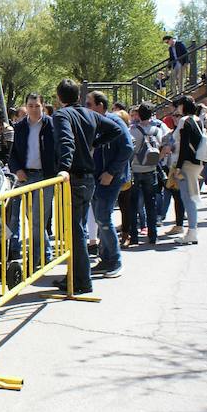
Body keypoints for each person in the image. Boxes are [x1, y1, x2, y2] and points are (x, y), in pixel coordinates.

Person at [52, 79, 123, 294]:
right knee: (78, 230)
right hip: (88, 179)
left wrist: (64, 167)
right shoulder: (89, 114)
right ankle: (75, 277)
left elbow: (66, 141)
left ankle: (82, 281)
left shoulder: (61, 115)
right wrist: (94, 143)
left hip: (73, 179)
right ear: (78, 97)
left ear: (59, 98)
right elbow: (115, 130)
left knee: (75, 232)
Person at [85, 91, 132, 278]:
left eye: (89, 104)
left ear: (100, 106)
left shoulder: (115, 122)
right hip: (97, 177)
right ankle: (105, 259)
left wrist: (111, 172)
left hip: (111, 178)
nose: (86, 107)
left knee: (103, 217)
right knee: (99, 218)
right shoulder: (94, 122)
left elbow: (127, 148)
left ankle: (115, 260)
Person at [7, 93, 55, 268]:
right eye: (30, 105)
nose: (34, 109)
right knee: (32, 218)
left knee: (37, 219)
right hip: (26, 176)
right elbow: (12, 155)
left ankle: (34, 259)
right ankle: (46, 253)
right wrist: (17, 169)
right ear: (26, 107)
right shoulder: (19, 127)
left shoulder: (52, 125)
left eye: (37, 105)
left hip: (46, 177)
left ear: (43, 106)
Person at [127, 102, 164, 246]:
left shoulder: (133, 130)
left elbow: (130, 149)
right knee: (151, 204)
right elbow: (163, 147)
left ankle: (134, 236)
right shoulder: (157, 130)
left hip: (136, 170)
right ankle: (153, 235)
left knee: (134, 204)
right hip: (151, 170)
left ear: (138, 115)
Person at [170, 96, 203, 245]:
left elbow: (183, 146)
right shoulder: (198, 119)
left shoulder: (184, 121)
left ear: (183, 106)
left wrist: (178, 167)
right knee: (192, 196)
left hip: (186, 164)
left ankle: (192, 232)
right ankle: (192, 231)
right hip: (196, 162)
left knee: (188, 198)